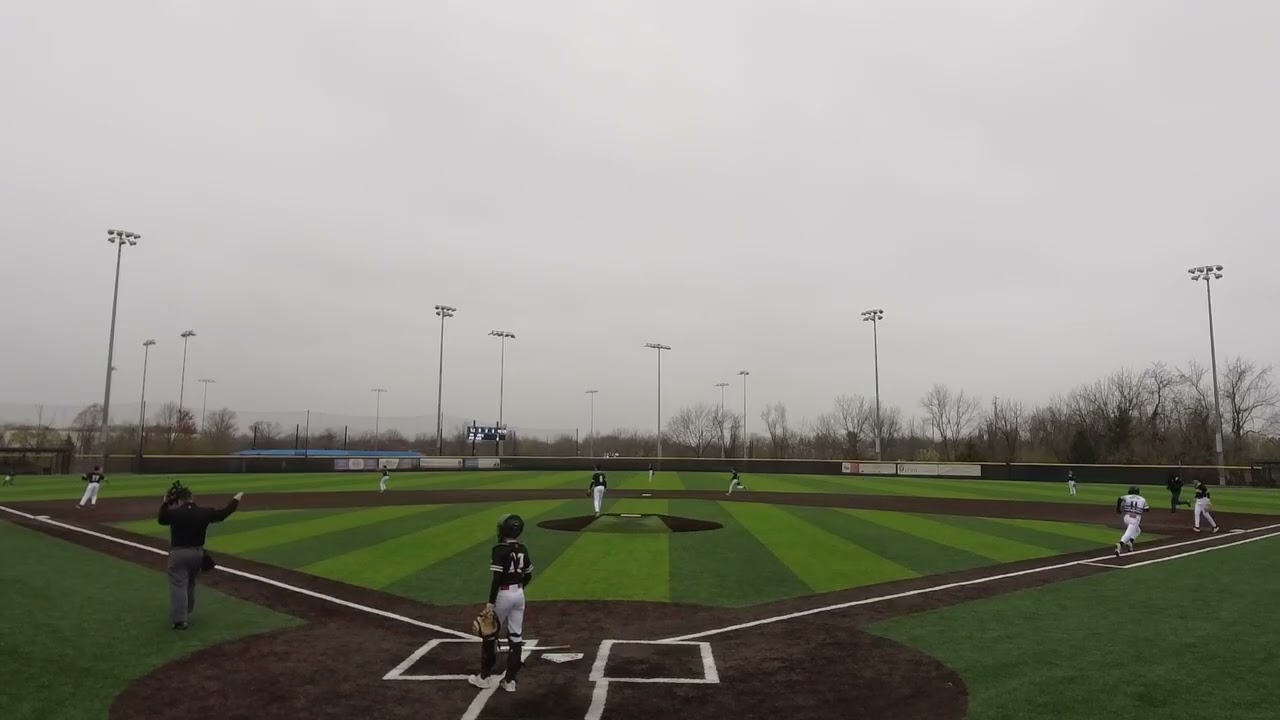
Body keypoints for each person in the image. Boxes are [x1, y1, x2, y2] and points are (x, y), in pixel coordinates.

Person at [157, 482, 244, 630]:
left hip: (178, 554)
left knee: (179, 585)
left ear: (179, 500)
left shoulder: (175, 513)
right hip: (197, 555)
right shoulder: (203, 512)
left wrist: (165, 503)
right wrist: (236, 499)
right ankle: (187, 610)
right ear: (192, 498)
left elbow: (161, 519)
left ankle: (180, 620)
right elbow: (223, 514)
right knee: (190, 583)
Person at [469, 514, 533, 693]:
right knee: (516, 637)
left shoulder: (499, 550)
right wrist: (519, 589)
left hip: (503, 596)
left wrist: (490, 603)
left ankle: (484, 677)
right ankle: (510, 681)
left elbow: (496, 578)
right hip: (519, 594)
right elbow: (528, 574)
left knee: (489, 634)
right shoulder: (523, 549)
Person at [1114, 485, 1150, 556]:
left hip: (1126, 517)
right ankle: (1120, 544)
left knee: (1137, 531)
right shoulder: (1142, 499)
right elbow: (1147, 509)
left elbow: (1120, 498)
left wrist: (1118, 508)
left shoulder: (1127, 496)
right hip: (1135, 519)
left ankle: (1130, 542)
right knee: (1129, 532)